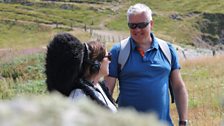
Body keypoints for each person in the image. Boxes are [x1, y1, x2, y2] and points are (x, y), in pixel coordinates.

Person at [105, 3, 188, 125]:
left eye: (141, 25)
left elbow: (178, 87)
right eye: (132, 26)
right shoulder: (118, 51)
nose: (137, 30)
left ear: (151, 24)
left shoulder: (167, 50)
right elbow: (107, 91)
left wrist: (183, 121)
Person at [45, 32, 117, 112]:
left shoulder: (98, 87)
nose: (110, 61)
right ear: (96, 64)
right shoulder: (79, 96)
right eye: (108, 57)